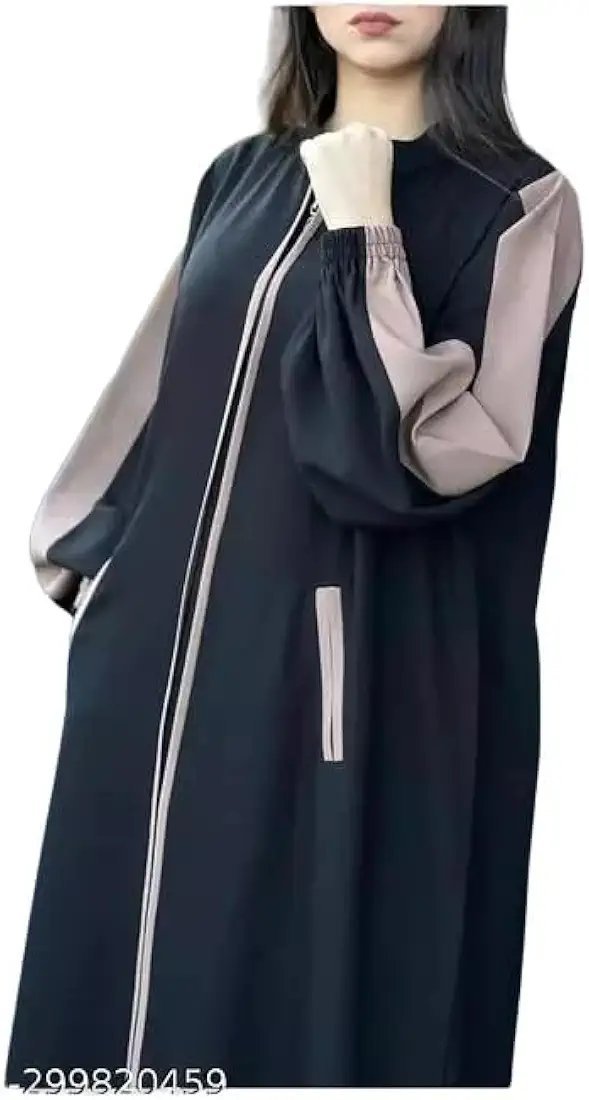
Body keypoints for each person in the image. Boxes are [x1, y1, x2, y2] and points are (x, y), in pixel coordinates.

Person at [5, 4, 583, 1089]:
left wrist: (364, 228)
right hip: (154, 678)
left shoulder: (520, 202)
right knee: (112, 997)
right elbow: (155, 398)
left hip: (348, 694)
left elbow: (422, 458)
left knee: (299, 999)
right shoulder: (239, 176)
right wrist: (96, 558)